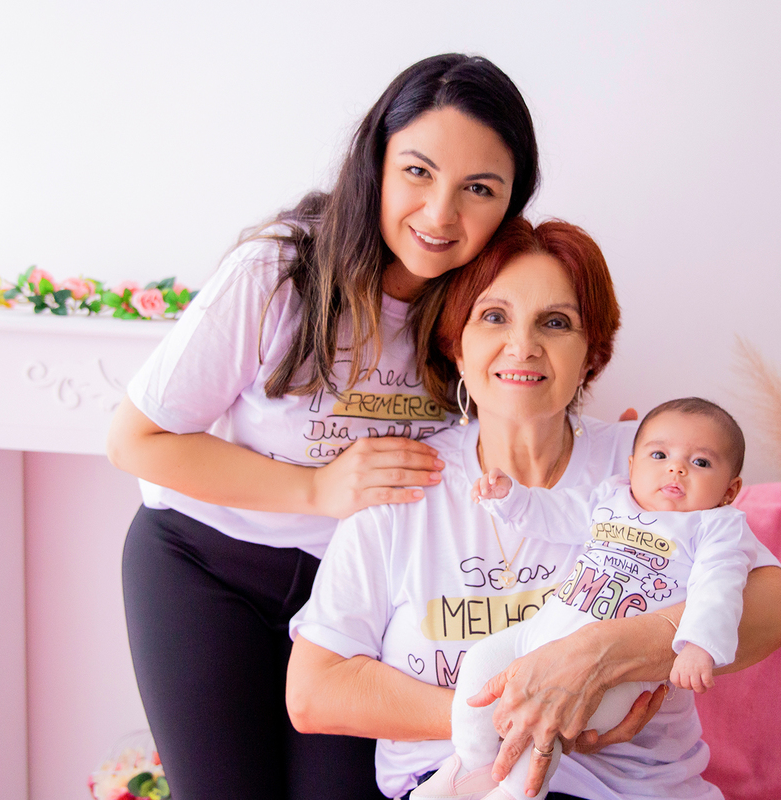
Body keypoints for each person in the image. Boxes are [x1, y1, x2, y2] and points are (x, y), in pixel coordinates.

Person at [106, 53, 541, 800]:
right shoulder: (279, 273)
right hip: (207, 567)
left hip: (359, 605)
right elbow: (134, 441)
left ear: (510, 203)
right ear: (374, 160)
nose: (440, 214)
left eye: (478, 189)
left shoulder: (490, 306)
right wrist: (318, 490)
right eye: (418, 171)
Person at [287, 218, 781, 800]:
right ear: (456, 344)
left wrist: (600, 661)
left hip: (635, 785)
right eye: (493, 316)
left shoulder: (648, 465)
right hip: (460, 779)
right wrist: (520, 716)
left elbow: (774, 613)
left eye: (555, 323)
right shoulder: (402, 482)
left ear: (592, 355)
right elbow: (314, 692)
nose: (522, 345)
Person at [420, 397, 758, 800]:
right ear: (632, 467)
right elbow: (556, 513)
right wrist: (512, 498)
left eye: (700, 463)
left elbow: (720, 588)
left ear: (730, 490)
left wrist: (699, 645)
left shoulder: (715, 527)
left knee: (550, 719)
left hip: (616, 676)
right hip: (539, 636)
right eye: (659, 454)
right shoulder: (611, 499)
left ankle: (515, 793)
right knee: (478, 664)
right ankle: (473, 764)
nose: (676, 468)